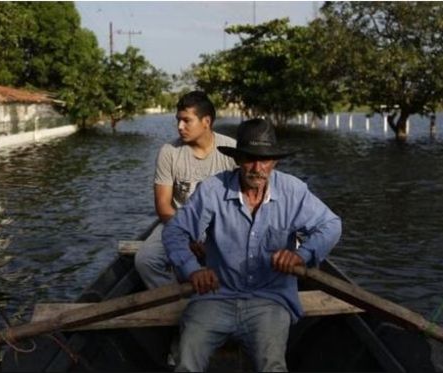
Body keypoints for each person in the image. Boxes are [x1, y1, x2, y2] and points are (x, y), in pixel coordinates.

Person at [162, 118, 342, 372]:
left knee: (273, 366)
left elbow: (331, 225)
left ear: (275, 161)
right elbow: (175, 232)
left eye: (265, 160)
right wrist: (192, 269)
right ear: (237, 160)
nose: (257, 167)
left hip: (270, 300)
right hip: (216, 297)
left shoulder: (293, 191)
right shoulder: (214, 189)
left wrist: (302, 255)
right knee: (187, 361)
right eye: (249, 159)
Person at [135, 91, 236, 289]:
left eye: (186, 121)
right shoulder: (169, 152)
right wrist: (189, 235)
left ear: (206, 121)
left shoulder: (231, 150)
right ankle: (176, 302)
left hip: (220, 224)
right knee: (145, 260)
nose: (180, 127)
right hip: (177, 222)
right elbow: (163, 206)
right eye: (178, 120)